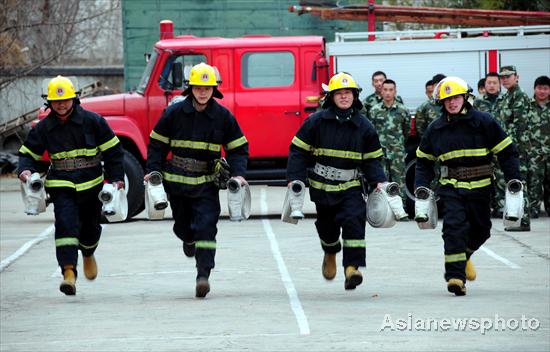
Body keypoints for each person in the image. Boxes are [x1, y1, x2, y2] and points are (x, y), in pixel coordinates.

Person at [146, 62, 249, 298]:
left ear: (214, 89)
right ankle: (188, 239)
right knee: (183, 228)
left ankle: (203, 275)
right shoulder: (173, 113)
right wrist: (152, 171)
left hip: (206, 185)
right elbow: (157, 144)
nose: (203, 92)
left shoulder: (223, 117)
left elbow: (239, 148)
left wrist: (238, 173)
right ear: (190, 88)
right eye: (198, 87)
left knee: (207, 228)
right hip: (178, 184)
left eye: (207, 87)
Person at [17, 76, 125, 296]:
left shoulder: (93, 121)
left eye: (65, 100)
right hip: (62, 186)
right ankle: (68, 272)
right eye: (56, 101)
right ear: (49, 103)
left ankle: (87, 254)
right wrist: (25, 171)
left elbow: (114, 151)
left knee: (90, 229)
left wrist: (116, 178)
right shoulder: (44, 127)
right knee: (65, 225)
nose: (61, 104)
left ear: (74, 99)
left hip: (92, 185)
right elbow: (27, 154)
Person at [414, 76, 521, 296]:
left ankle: (464, 257)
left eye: (456, 97)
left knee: (482, 230)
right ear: (441, 103)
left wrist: (514, 181)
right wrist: (421, 188)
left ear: (465, 97)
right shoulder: (435, 129)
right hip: (451, 188)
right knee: (453, 228)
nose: (452, 102)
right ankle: (455, 277)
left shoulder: (484, 122)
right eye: (447, 99)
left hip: (481, 188)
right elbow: (423, 162)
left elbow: (507, 153)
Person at [287, 72, 387, 290]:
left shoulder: (365, 126)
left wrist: (379, 182)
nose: (344, 97)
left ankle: (352, 268)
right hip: (322, 188)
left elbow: (372, 160)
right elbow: (297, 151)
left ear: (354, 96)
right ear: (331, 96)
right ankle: (330, 251)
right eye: (339, 93)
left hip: (351, 187)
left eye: (348, 93)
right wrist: (294, 179)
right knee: (327, 228)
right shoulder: (315, 122)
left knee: (354, 221)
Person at [493, 65, 533, 230]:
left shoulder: (519, 96)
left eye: (508, 76)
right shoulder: (506, 97)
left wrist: (513, 149)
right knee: (510, 184)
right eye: (502, 77)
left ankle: (524, 221)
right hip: (505, 149)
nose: (504, 80)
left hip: (516, 148)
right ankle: (516, 219)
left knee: (519, 183)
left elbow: (520, 125)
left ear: (517, 77)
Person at [369, 79, 410, 199]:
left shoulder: (402, 110)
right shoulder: (374, 111)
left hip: (397, 153)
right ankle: (382, 212)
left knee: (399, 182)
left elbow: (406, 131)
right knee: (380, 183)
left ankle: (401, 212)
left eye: (391, 90)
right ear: (381, 91)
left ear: (395, 91)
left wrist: (398, 144)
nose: (388, 93)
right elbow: (371, 132)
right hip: (380, 153)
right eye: (385, 90)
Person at [529, 75, 550, 217]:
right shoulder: (527, 106)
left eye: (545, 88)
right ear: (534, 89)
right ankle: (533, 208)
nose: (542, 91)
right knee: (534, 181)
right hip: (533, 153)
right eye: (539, 88)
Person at [414, 73, 446, 139]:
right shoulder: (424, 107)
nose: (439, 89)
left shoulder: (454, 103)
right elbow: (420, 129)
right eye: (437, 86)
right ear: (434, 87)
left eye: (442, 85)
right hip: (433, 144)